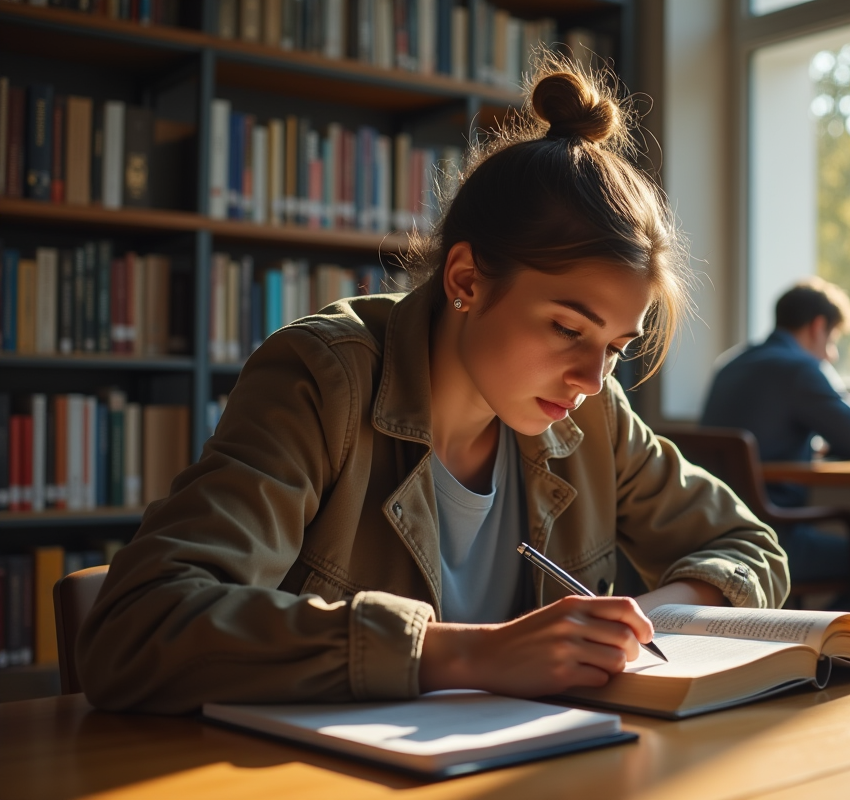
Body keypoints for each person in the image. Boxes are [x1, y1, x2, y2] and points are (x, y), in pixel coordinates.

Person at [76, 59, 787, 714]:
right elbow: (138, 626)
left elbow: (749, 546)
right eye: (569, 329)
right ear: (466, 281)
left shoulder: (594, 414)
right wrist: (474, 653)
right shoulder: (325, 380)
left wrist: (642, 620)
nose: (590, 378)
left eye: (614, 348)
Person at [700, 277, 850, 624]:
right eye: (832, 341)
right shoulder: (800, 368)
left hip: (709, 534)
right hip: (773, 540)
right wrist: (826, 373)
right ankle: (816, 641)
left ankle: (805, 637)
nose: (831, 353)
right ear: (819, 326)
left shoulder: (729, 365)